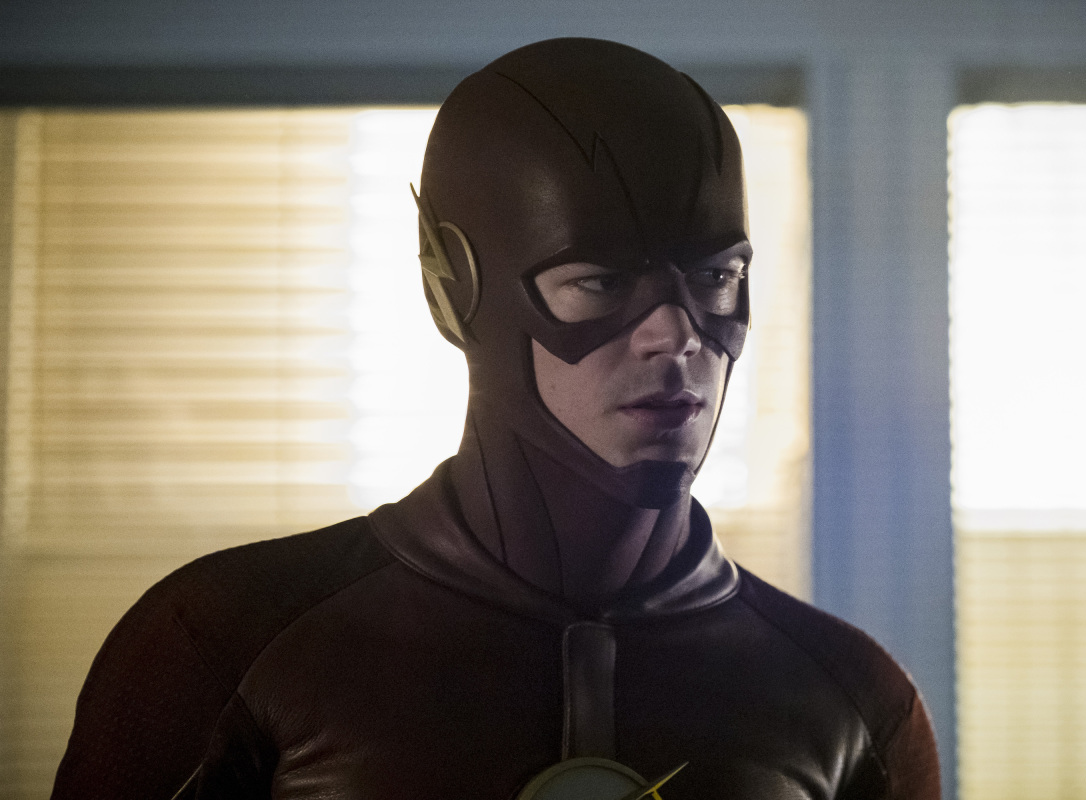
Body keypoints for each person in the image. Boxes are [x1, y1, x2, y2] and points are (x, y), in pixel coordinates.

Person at [51, 38, 940, 800]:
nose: (675, 337)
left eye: (715, 279)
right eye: (602, 281)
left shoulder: (851, 703)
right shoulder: (221, 645)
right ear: (457, 293)